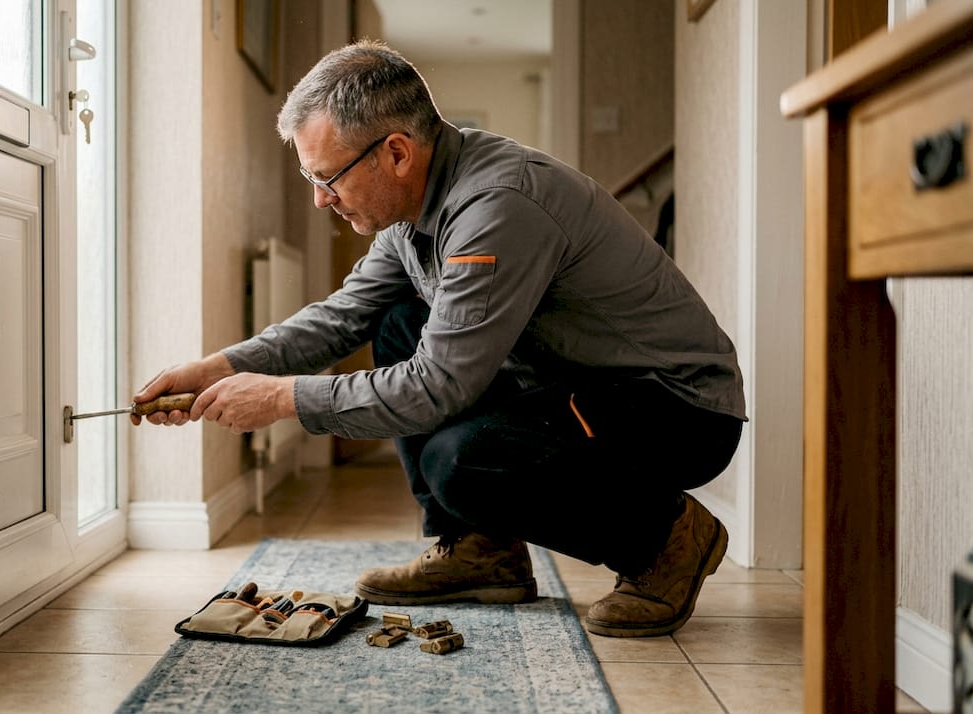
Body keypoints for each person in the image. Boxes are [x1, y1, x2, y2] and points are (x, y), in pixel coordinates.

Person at [131, 40, 746, 638]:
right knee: (400, 320)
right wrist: (219, 367)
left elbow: (438, 386)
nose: (320, 200)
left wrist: (284, 400)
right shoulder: (414, 210)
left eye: (329, 178)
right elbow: (347, 313)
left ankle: (667, 540)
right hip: (577, 386)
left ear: (395, 153)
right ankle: (483, 552)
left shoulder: (496, 204)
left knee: (464, 461)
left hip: (673, 407)